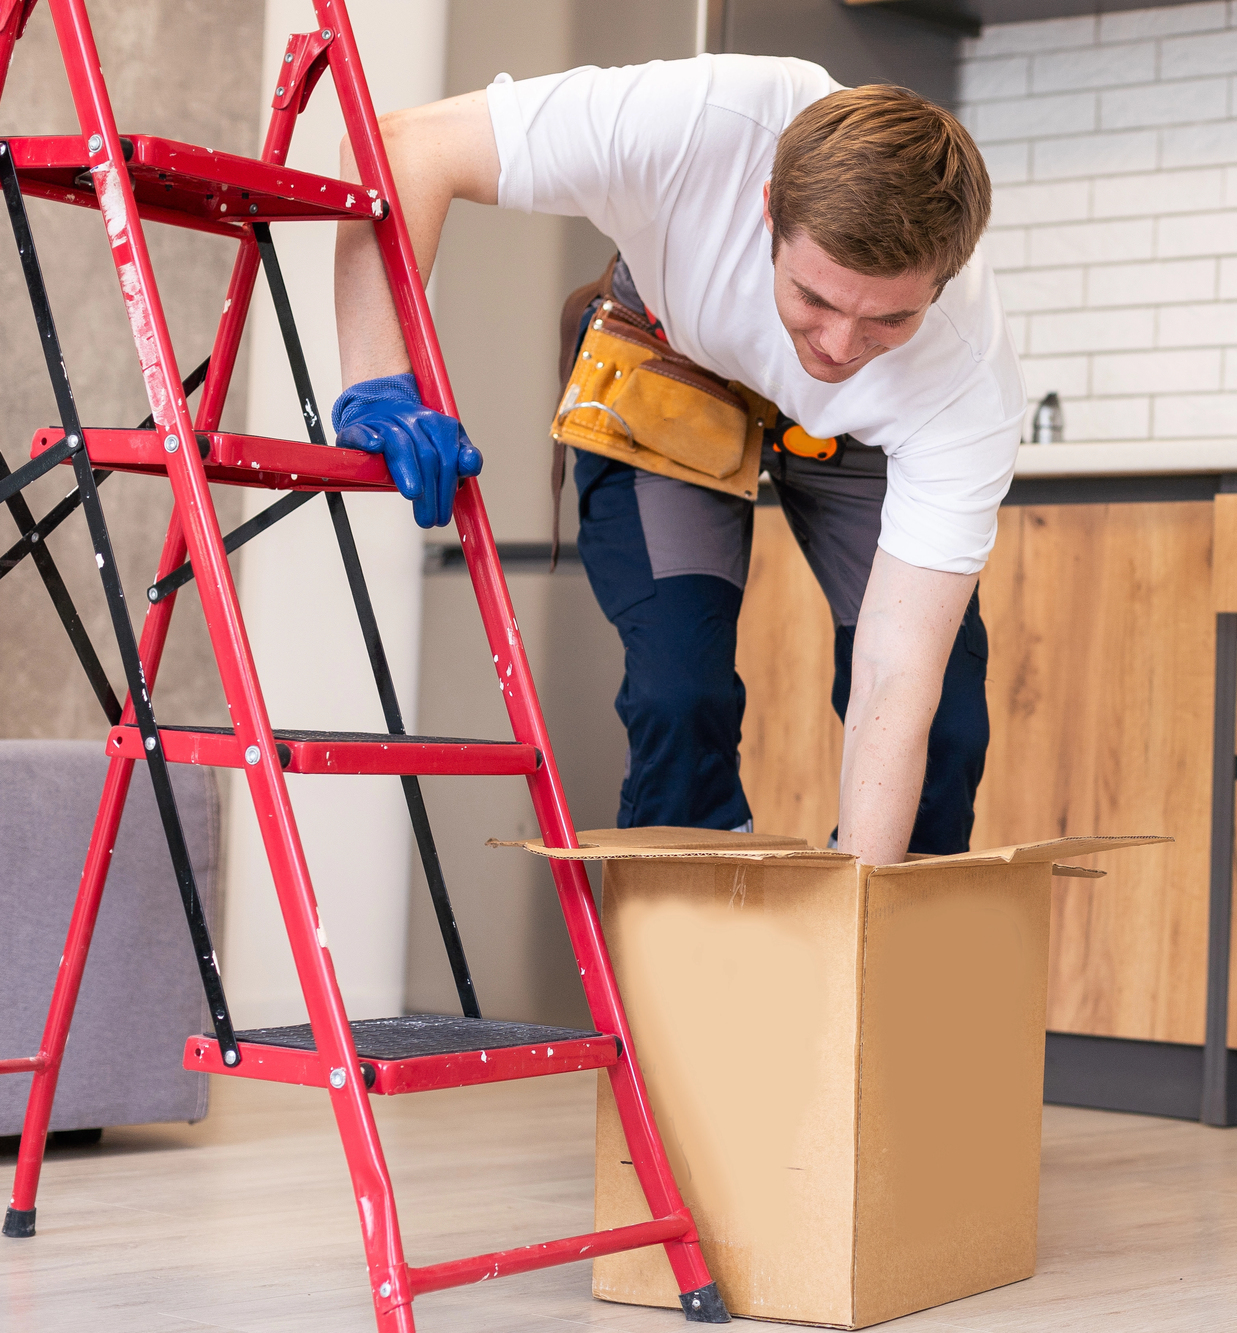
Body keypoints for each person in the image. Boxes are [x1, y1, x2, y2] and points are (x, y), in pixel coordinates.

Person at [328, 55, 1022, 866]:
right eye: (816, 298)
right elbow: (410, 147)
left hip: (866, 433)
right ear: (767, 210)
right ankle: (685, 966)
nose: (837, 346)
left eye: (887, 320)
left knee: (941, 731)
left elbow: (895, 678)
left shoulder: (965, 379)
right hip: (675, 360)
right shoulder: (697, 125)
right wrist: (379, 382)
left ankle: (883, 967)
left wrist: (860, 933)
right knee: (678, 697)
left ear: (941, 285)